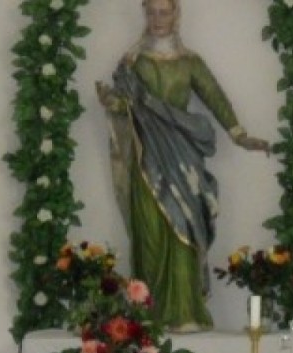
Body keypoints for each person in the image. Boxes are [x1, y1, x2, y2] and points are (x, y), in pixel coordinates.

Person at [96, 0, 269, 333]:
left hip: (183, 157)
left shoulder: (190, 62)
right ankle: (149, 314)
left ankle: (186, 311)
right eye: (151, 12)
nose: (157, 19)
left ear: (176, 15)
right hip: (147, 159)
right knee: (149, 232)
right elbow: (123, 101)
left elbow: (214, 96)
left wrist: (240, 135)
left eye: (164, 12)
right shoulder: (133, 61)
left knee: (184, 231)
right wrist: (112, 102)